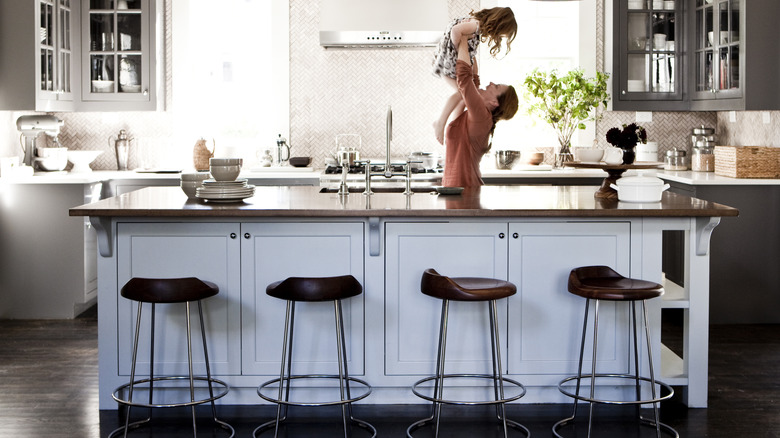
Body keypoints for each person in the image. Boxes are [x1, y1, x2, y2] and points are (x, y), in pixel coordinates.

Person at [441, 34, 519, 188]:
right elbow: (472, 82)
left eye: (495, 86)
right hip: (457, 193)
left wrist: (462, 37)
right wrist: (470, 46)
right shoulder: (478, 115)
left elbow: (465, 78)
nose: (490, 83)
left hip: (465, 195)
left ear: (494, 102)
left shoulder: (482, 116)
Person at [432, 7, 517, 145]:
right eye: (501, 34)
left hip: (448, 62)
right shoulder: (475, 26)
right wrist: (456, 49)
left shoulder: (476, 26)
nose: (498, 37)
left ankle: (449, 129)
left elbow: (468, 50)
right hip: (448, 63)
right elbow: (455, 31)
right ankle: (440, 122)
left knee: (462, 96)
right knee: (461, 93)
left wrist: (470, 65)